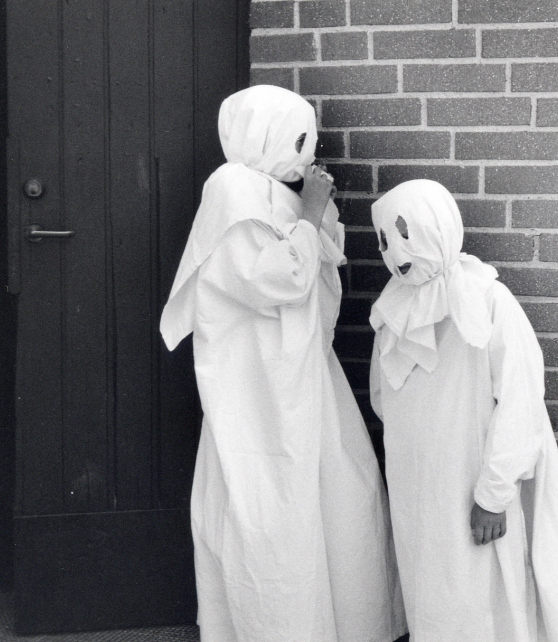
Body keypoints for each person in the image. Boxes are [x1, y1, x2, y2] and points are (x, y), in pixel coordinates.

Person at [159, 84, 405, 642]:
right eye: (296, 140)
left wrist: (316, 212)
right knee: (272, 505)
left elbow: (320, 267)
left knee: (341, 490)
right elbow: (279, 278)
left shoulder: (273, 191)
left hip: (302, 373)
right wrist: (312, 212)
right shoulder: (231, 192)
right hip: (258, 387)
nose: (304, 153)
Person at [368, 179, 558, 642]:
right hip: (420, 489)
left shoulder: (488, 300)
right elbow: (386, 398)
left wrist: (493, 494)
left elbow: (521, 400)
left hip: (476, 484)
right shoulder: (393, 311)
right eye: (383, 238)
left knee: (482, 594)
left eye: (405, 232)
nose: (393, 249)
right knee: (434, 590)